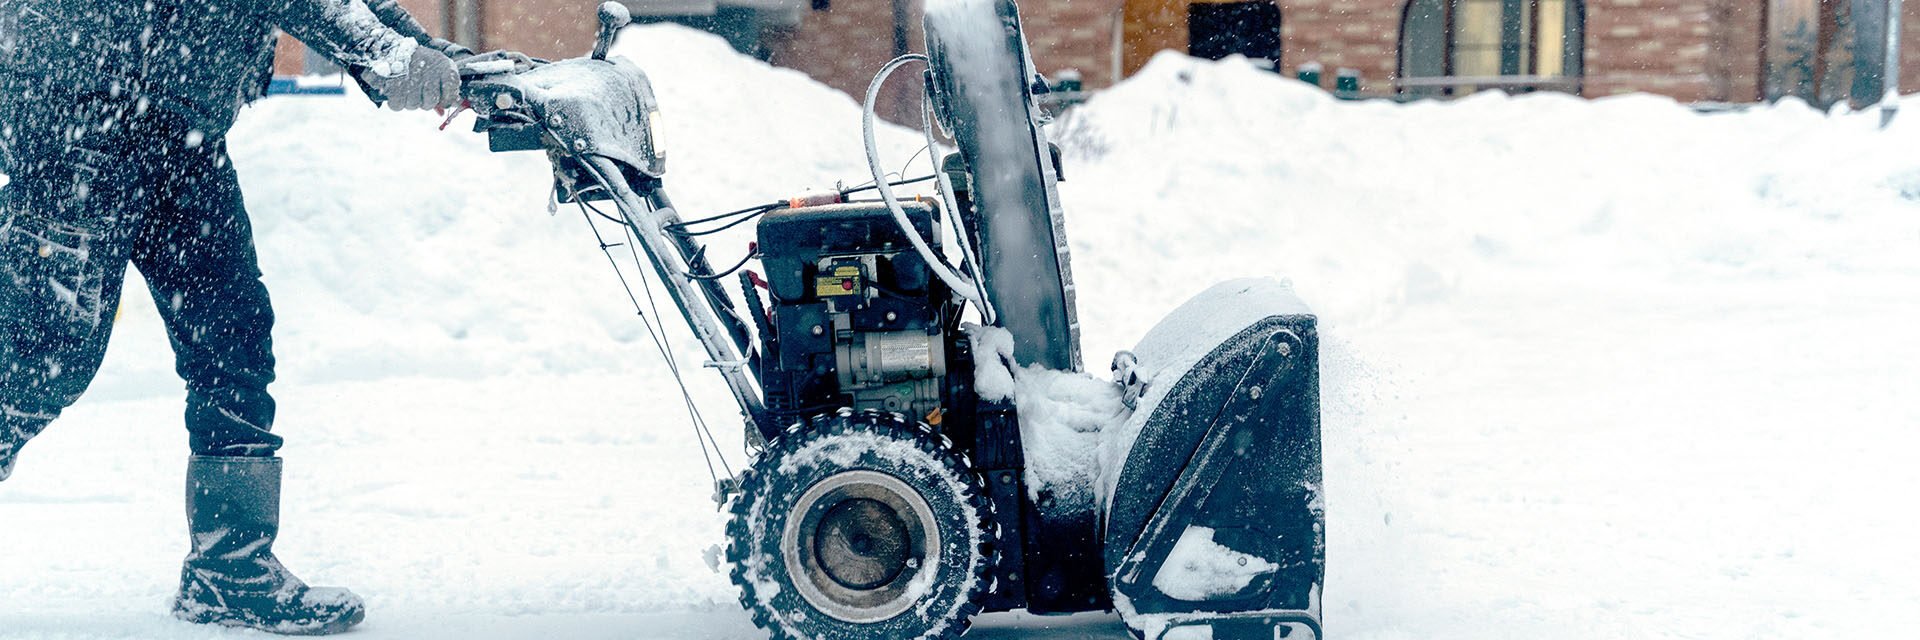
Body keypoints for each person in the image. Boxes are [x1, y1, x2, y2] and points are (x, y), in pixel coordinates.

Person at [1, 0, 465, 634]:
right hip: (82, 112)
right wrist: (393, 56)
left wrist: (432, 56)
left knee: (232, 333)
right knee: (41, 359)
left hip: (176, 121)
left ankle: (231, 570)